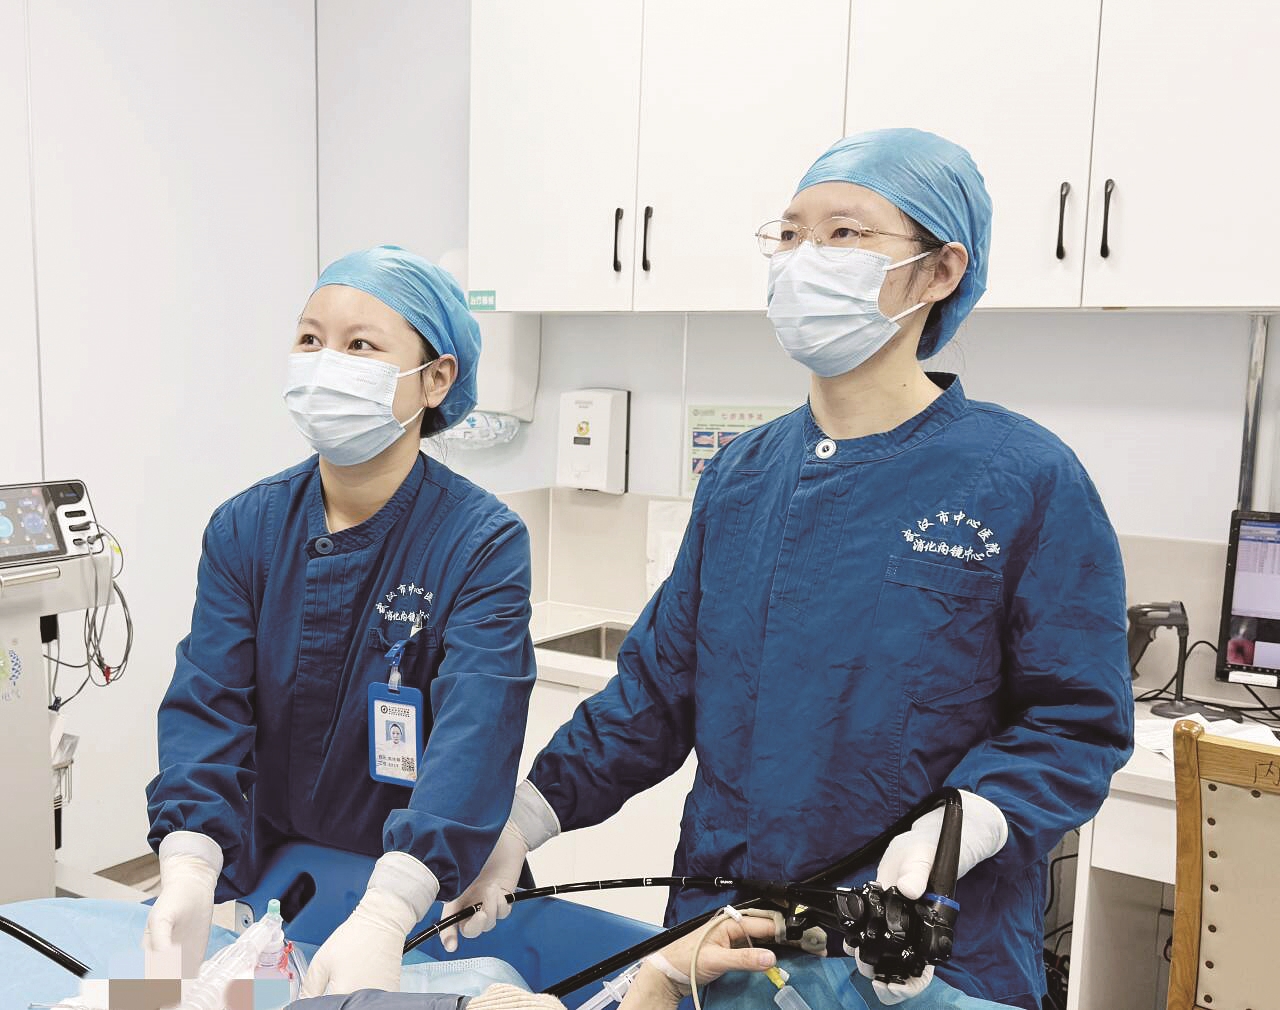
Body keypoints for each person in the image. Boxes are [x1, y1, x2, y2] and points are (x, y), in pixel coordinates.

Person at [442, 131, 1134, 1009]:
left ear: (939, 270)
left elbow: (1076, 721)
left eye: (844, 233)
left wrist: (968, 824)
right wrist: (527, 814)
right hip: (724, 946)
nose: (806, 258)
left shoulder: (1024, 479)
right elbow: (656, 693)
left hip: (927, 962)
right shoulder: (743, 475)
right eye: (791, 233)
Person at [144, 246, 537, 995]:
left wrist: (390, 911)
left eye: (360, 345)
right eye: (310, 339)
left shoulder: (480, 541)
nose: (327, 364)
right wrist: (190, 862)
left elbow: (477, 729)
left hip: (421, 895)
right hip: (277, 882)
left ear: (436, 379)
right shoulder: (246, 528)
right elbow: (208, 702)